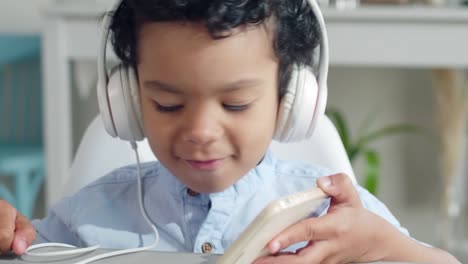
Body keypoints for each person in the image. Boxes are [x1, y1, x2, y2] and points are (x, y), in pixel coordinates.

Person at [0, 0, 459, 263]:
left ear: (290, 100)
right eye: (168, 104)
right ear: (129, 101)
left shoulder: (330, 216)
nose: (200, 130)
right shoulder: (89, 216)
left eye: (236, 104)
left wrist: (380, 244)